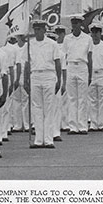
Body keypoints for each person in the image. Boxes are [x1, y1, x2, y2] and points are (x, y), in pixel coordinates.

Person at [25, 20, 61, 148]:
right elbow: (27, 63)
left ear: (45, 30)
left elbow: (57, 62)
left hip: (49, 75)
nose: (37, 32)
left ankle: (48, 139)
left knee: (48, 108)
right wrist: (25, 80)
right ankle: (38, 140)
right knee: (37, 109)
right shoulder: (30, 44)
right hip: (35, 75)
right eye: (35, 29)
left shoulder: (52, 44)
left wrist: (59, 79)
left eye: (39, 29)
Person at [63, 14, 93, 135]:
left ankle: (82, 126)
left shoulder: (87, 39)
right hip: (71, 66)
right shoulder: (67, 38)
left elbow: (90, 57)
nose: (75, 25)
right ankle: (73, 126)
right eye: (73, 23)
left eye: (77, 23)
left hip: (82, 66)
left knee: (82, 98)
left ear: (81, 24)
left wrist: (90, 75)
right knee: (72, 98)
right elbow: (64, 56)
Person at [88, 23, 103, 131]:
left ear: (101, 33)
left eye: (97, 32)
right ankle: (93, 123)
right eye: (93, 32)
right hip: (91, 74)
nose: (95, 34)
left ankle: (102, 123)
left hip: (102, 74)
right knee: (92, 100)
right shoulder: (88, 46)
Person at [45, 31, 66, 142]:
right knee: (45, 107)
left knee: (56, 107)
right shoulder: (43, 51)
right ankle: (46, 132)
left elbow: (63, 69)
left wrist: (63, 83)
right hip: (45, 79)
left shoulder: (60, 53)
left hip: (56, 79)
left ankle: (55, 132)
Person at [0, 35, 18, 142]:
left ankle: (4, 132)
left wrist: (12, 83)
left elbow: (10, 68)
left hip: (5, 79)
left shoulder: (5, 53)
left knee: (5, 108)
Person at [10, 33, 29, 132]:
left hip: (25, 73)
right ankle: (17, 124)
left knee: (26, 100)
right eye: (19, 36)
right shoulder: (13, 48)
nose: (21, 37)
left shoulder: (28, 47)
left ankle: (27, 124)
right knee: (16, 100)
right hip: (16, 73)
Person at [54, 25, 70, 132]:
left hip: (66, 74)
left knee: (65, 102)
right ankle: (57, 124)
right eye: (58, 33)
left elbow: (64, 67)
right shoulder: (54, 46)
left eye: (61, 33)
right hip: (53, 76)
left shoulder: (67, 46)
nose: (59, 35)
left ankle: (65, 123)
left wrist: (64, 81)